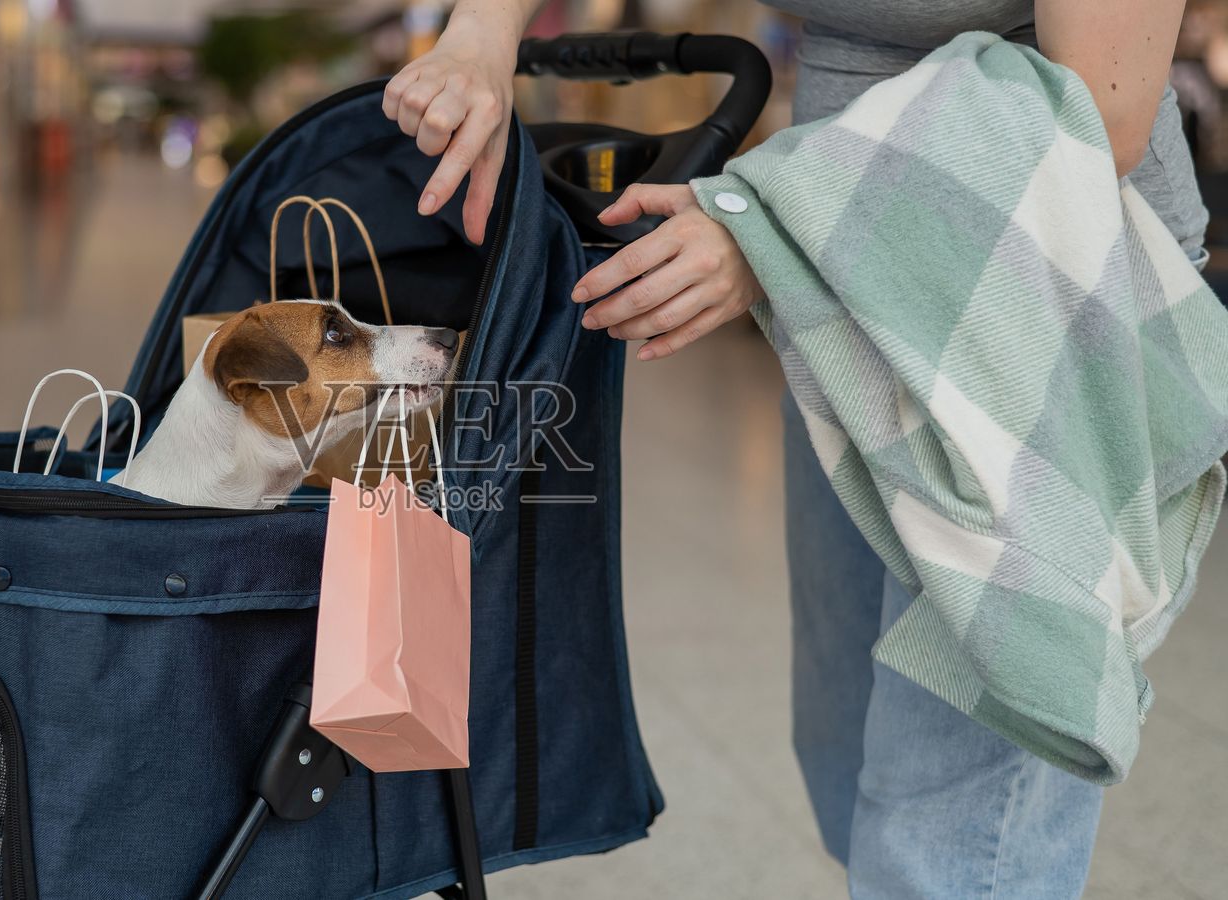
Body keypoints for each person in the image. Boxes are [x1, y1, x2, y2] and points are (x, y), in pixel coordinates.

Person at [384, 1, 1209, 897]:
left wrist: (768, 221)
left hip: (1038, 285)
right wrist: (481, 38)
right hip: (842, 278)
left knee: (949, 834)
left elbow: (1103, 102)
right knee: (844, 756)